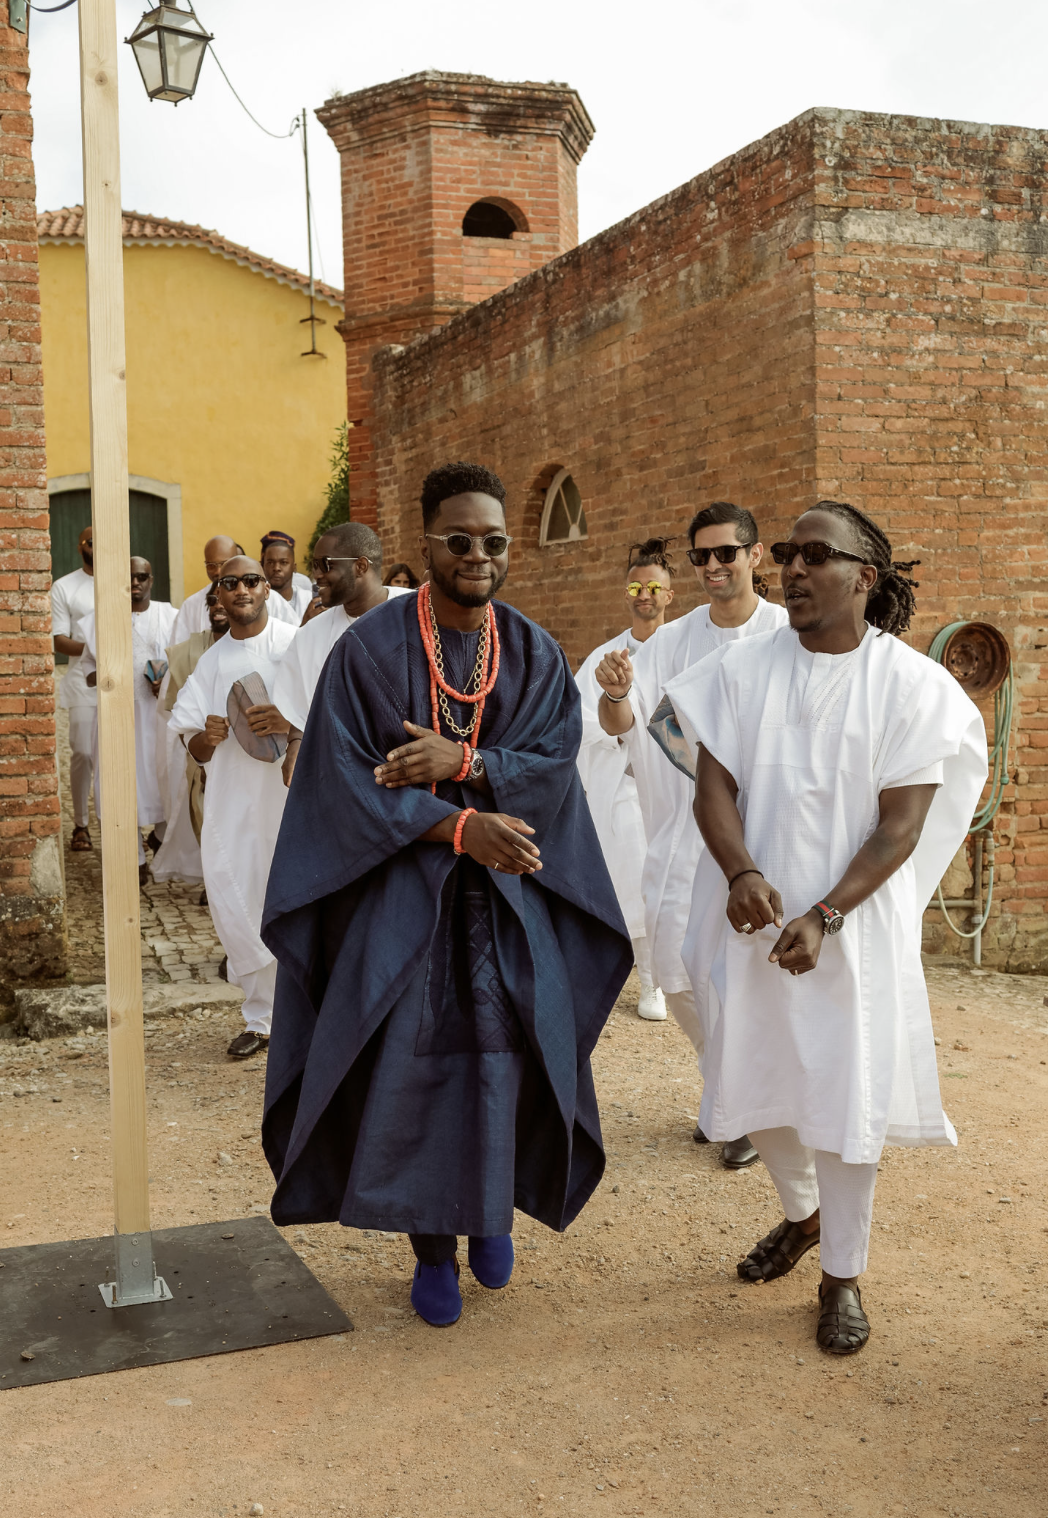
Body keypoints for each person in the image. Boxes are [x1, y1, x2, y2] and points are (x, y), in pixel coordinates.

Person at [260, 461, 631, 1330]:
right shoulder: (369, 651)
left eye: (494, 541)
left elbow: (550, 765)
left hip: (508, 901)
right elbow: (349, 785)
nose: (478, 554)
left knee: (509, 1059)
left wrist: (464, 764)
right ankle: (432, 1246)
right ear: (425, 544)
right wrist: (463, 827)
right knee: (412, 1068)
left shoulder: (534, 651)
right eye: (459, 540)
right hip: (404, 898)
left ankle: (489, 1215)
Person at [665, 501, 987, 1354]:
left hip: (851, 929)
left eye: (817, 555)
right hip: (745, 915)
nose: (794, 570)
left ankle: (842, 1274)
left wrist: (826, 914)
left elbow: (900, 828)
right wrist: (740, 872)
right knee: (752, 1078)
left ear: (864, 577)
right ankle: (802, 1217)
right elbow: (714, 788)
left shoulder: (912, 687)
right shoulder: (740, 671)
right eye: (788, 554)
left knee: (848, 1098)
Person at [596, 502, 787, 1170]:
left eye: (725, 554)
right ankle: (726, 1089)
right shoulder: (672, 642)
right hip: (684, 828)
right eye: (700, 556)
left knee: (742, 976)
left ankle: (740, 1108)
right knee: (676, 976)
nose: (712, 567)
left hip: (762, 835)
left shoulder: (787, 634)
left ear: (755, 556)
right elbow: (624, 722)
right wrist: (617, 691)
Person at [170, 558, 295, 1056]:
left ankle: (306, 1014)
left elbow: (327, 714)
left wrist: (286, 722)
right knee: (239, 896)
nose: (241, 590)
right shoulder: (211, 662)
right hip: (234, 802)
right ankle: (260, 1018)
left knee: (294, 895)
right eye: (229, 583)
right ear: (217, 596)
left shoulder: (293, 646)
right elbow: (192, 746)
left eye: (251, 581)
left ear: (267, 588)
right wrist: (208, 734)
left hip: (291, 797)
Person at [575, 538, 675, 1021]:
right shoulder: (606, 654)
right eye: (636, 586)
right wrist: (622, 745)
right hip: (625, 782)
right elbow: (580, 722)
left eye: (654, 587)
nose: (644, 594)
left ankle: (670, 974)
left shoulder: (684, 650)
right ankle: (648, 981)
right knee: (633, 874)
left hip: (677, 784)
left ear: (669, 595)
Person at [272, 522, 412, 786]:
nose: (316, 576)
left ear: (360, 566)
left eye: (325, 564)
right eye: (313, 566)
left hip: (412, 775)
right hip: (341, 779)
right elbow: (302, 709)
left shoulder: (416, 613)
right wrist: (295, 743)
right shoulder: (309, 636)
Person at [80, 557, 177, 883]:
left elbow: (184, 664)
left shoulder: (170, 616)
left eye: (141, 577)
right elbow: (88, 671)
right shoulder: (101, 618)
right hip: (115, 716)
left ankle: (161, 839)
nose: (135, 583)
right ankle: (133, 858)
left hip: (157, 716)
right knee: (121, 783)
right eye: (129, 578)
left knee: (163, 778)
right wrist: (109, 677)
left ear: (151, 580)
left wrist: (166, 679)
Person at [152, 587, 230, 886]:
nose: (218, 606)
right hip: (202, 750)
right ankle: (213, 880)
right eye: (212, 601)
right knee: (203, 812)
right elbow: (172, 713)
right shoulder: (188, 653)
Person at [51, 526, 96, 852]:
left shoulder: (128, 581)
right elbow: (59, 639)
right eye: (92, 542)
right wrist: (96, 648)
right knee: (82, 751)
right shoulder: (64, 587)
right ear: (80, 546)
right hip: (83, 681)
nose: (98, 547)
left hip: (126, 680)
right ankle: (80, 824)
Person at [170, 535, 239, 643]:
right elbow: (179, 652)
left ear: (237, 561)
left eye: (224, 564)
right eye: (211, 566)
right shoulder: (191, 605)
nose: (218, 571)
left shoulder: (260, 598)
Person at [261, 530, 313, 622]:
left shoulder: (309, 600)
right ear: (262, 566)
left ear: (294, 567)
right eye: (270, 562)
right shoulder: (257, 602)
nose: (276, 568)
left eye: (283, 562)